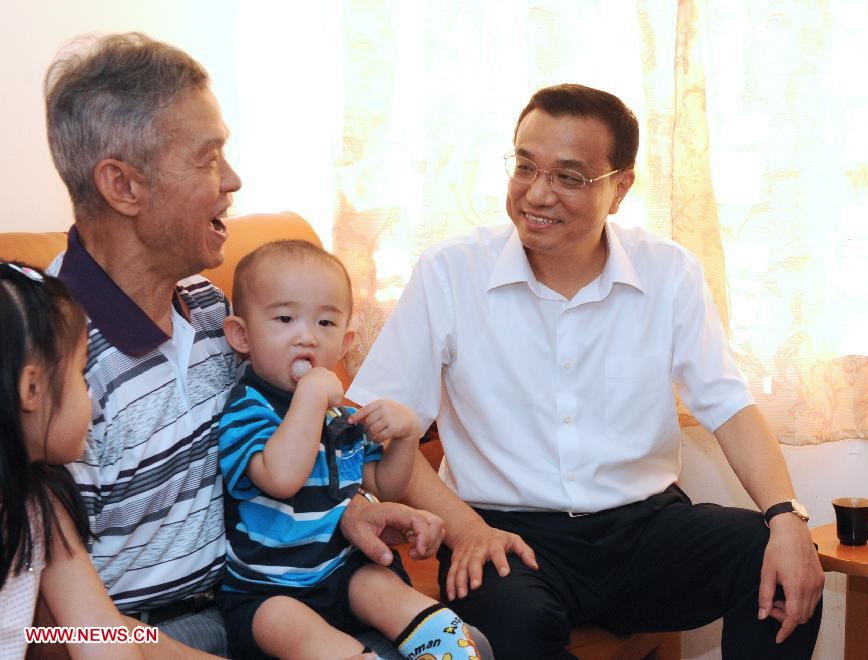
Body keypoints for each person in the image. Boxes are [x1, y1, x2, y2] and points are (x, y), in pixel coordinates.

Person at [348, 83, 825, 659]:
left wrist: (787, 518)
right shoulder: (451, 272)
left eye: (568, 177)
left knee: (775, 561)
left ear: (619, 188)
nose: (537, 194)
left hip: (644, 531)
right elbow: (369, 432)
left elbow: (727, 405)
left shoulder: (668, 272)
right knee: (518, 627)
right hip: (503, 537)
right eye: (525, 166)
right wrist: (465, 528)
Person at [41, 32, 456, 659]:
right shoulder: (49, 359)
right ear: (123, 186)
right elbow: (42, 626)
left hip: (272, 589)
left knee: (462, 641)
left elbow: (272, 459)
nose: (233, 180)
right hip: (152, 634)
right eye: (208, 158)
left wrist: (346, 513)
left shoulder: (221, 312)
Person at [217, 240, 484, 659]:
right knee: (289, 626)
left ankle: (449, 648)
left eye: (325, 323)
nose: (306, 336)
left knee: (384, 587)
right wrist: (311, 397)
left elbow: (384, 485)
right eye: (285, 318)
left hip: (342, 567)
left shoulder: (338, 415)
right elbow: (282, 478)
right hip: (268, 588)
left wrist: (408, 435)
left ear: (345, 342)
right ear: (242, 335)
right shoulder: (247, 408)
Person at [0, 262, 141, 659]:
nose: (93, 401)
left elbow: (102, 637)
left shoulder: (40, 505)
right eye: (81, 374)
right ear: (31, 388)